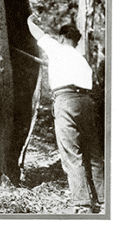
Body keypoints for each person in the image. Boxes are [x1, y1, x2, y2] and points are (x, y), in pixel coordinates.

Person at [27, 14, 104, 214]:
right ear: (76, 41)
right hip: (87, 102)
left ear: (62, 38)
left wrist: (29, 21)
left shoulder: (57, 49)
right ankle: (104, 201)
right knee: (93, 154)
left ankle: (82, 204)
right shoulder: (81, 59)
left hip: (66, 101)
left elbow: (38, 34)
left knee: (72, 153)